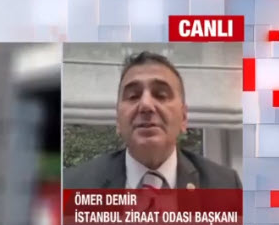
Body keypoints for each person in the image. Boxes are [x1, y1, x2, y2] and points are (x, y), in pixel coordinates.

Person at [64, 51, 241, 190]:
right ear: (118, 120)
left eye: (161, 95)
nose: (146, 105)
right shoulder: (73, 185)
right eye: (133, 96)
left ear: (183, 118)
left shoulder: (225, 185)